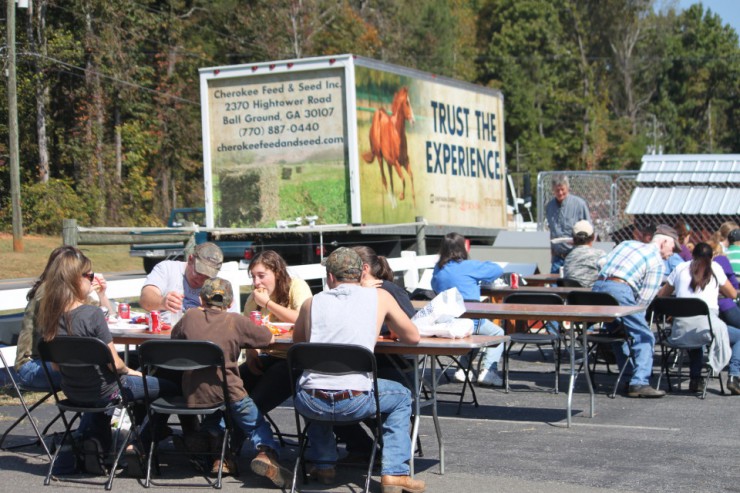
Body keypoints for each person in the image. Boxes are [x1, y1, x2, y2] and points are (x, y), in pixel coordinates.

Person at [293, 247, 425, 493]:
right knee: (402, 396)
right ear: (361, 273)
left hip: (310, 402)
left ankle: (323, 465)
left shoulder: (311, 303)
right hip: (354, 400)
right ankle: (395, 472)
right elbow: (413, 336)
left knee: (317, 381)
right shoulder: (381, 298)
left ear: (330, 277)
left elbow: (298, 342)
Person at [37, 248, 177, 475]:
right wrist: (133, 371)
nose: (92, 281)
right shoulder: (92, 315)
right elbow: (116, 365)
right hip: (108, 390)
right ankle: (138, 445)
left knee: (107, 394)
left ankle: (97, 446)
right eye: (90, 276)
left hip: (73, 392)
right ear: (76, 279)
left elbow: (55, 366)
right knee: (167, 388)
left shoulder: (49, 316)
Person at [171, 277, 292, 486]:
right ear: (229, 303)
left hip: (195, 393)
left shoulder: (189, 317)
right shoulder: (234, 320)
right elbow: (267, 338)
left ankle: (218, 454)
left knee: (213, 417)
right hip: (229, 390)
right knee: (254, 423)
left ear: (201, 300)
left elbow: (175, 339)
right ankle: (266, 454)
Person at [591, 224, 681, 398]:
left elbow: (600, 262)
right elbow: (643, 302)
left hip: (598, 287)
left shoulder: (627, 244)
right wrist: (636, 319)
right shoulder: (657, 262)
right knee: (645, 336)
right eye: (672, 247)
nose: (673, 252)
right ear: (662, 242)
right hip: (621, 290)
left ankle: (628, 376)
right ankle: (640, 382)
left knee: (619, 332)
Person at [14, 245, 114, 390]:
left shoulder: (69, 294)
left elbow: (106, 317)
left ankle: (95, 411)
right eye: (86, 274)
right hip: (33, 365)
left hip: (57, 362)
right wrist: (84, 295)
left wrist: (102, 295)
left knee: (99, 371)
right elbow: (68, 326)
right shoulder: (47, 292)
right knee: (98, 372)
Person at [657, 243, 739, 395]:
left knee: (695, 333)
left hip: (680, 331)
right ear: (711, 257)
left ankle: (695, 379)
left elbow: (662, 295)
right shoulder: (715, 268)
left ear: (692, 255)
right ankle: (735, 375)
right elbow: (733, 294)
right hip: (706, 329)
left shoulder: (680, 268)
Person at [239, 250, 313, 415]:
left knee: (255, 402)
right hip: (268, 356)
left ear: (277, 273)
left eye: (261, 275)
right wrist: (252, 355)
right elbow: (248, 330)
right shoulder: (254, 298)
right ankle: (215, 433)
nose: (257, 282)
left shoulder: (296, 286)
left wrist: (267, 303)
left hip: (293, 359)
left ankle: (251, 437)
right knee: (229, 388)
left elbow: (302, 318)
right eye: (253, 276)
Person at [431, 233, 505, 386]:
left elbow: (434, 286)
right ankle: (488, 371)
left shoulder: (438, 269)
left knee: (474, 331)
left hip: (447, 322)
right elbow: (497, 269)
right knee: (497, 333)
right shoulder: (469, 266)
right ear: (462, 248)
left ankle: (464, 369)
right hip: (469, 321)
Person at [139, 242, 229, 323]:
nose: (200, 279)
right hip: (166, 334)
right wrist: (162, 302)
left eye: (207, 277)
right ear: (190, 260)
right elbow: (145, 299)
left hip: (199, 336)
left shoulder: (218, 286)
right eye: (198, 273)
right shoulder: (167, 268)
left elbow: (230, 322)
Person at [545, 175, 591, 274]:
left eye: (562, 189)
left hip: (575, 257)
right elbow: (551, 231)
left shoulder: (579, 204)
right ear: (553, 190)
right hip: (557, 258)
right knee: (554, 287)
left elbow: (589, 231)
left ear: (567, 188)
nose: (560, 193)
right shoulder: (549, 207)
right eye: (557, 190)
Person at [562, 220, 606, 288]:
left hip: (572, 296)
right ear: (593, 237)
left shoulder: (568, 257)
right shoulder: (600, 254)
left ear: (573, 239)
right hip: (592, 296)